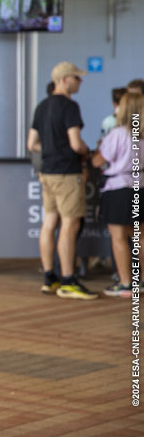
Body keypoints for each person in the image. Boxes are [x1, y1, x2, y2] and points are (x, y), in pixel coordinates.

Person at [27, 61, 96, 300]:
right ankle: (68, 279)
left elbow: (32, 144)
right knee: (70, 224)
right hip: (67, 172)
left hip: (47, 172)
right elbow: (76, 143)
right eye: (77, 78)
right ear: (65, 79)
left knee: (50, 222)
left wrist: (52, 148)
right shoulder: (70, 106)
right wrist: (86, 151)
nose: (80, 82)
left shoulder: (42, 106)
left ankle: (50, 278)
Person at [92, 91, 142, 297]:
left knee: (119, 236)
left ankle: (126, 283)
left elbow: (98, 160)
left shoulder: (119, 133)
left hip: (119, 187)